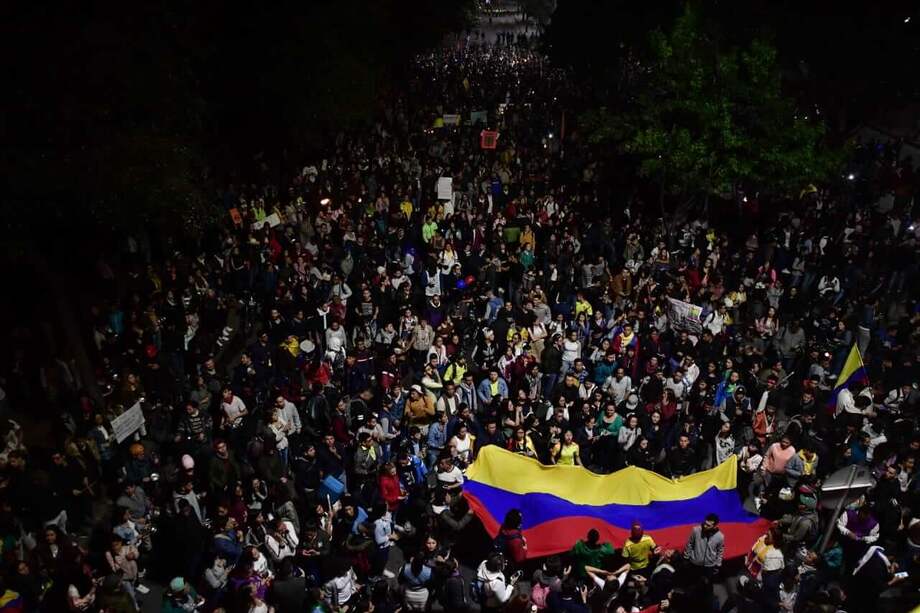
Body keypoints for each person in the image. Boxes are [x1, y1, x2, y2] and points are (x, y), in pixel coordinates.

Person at [683, 514, 724, 578]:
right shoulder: (696, 530)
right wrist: (686, 558)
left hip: (709, 566)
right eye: (705, 523)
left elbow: (720, 551)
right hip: (695, 563)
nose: (705, 526)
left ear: (715, 526)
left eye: (708, 525)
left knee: (706, 584)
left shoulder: (720, 536)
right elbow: (689, 544)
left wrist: (718, 564)